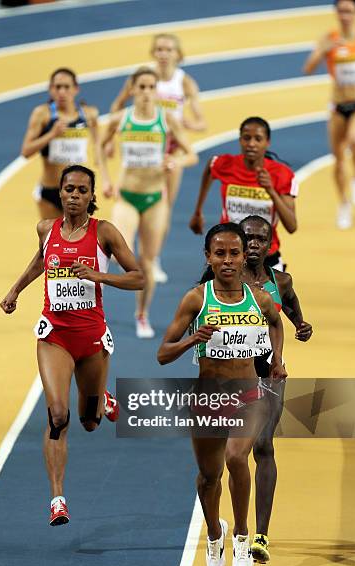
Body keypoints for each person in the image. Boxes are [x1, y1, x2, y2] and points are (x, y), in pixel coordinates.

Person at [0, 165, 144, 526]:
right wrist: (16, 289)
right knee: (58, 415)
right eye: (69, 189)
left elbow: (138, 277)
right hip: (55, 337)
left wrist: (99, 275)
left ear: (92, 196)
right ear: (60, 193)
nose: (75, 195)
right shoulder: (46, 229)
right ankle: (57, 499)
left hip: (92, 338)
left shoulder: (104, 232)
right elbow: (40, 260)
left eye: (82, 190)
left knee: (90, 421)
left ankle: (104, 400)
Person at [157, 222, 287, 566]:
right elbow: (162, 353)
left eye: (234, 253)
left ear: (245, 256)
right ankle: (216, 532)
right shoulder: (197, 298)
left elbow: (277, 323)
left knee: (236, 457)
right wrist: (191, 339)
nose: (227, 260)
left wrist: (277, 359)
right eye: (220, 254)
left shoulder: (258, 298)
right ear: (208, 257)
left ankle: (242, 535)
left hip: (248, 395)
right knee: (208, 477)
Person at [231, 215, 312, 564]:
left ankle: (260, 536)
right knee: (224, 457)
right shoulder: (224, 278)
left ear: (270, 245)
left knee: (263, 445)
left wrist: (302, 326)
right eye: (247, 238)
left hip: (270, 373)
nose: (252, 244)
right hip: (231, 373)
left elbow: (292, 310)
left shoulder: (281, 280)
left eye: (260, 239)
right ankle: (232, 528)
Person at [101, 66, 198, 339]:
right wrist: (107, 179)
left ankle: (141, 313)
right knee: (120, 252)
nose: (145, 92)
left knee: (147, 261)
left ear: (156, 91)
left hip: (155, 199)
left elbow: (191, 154)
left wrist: (175, 161)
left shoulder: (166, 119)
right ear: (132, 90)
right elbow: (99, 144)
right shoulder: (121, 119)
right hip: (127, 197)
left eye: (150, 87)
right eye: (141, 87)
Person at [110, 33, 206, 282]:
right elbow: (118, 106)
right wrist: (111, 140)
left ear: (178, 54)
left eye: (169, 49)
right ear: (154, 52)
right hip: (144, 146)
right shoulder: (144, 78)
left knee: (163, 204)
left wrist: (186, 122)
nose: (164, 54)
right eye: (160, 49)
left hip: (170, 152)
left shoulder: (185, 83)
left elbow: (201, 121)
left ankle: (153, 257)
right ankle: (136, 254)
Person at [189, 116, 298, 271]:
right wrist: (198, 211)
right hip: (228, 259)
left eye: (258, 139)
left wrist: (271, 191)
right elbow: (210, 166)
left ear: (267, 143)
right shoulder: (226, 164)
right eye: (246, 138)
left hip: (265, 261)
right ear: (240, 140)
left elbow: (292, 226)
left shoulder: (282, 174)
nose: (251, 144)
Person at [303, 0, 355, 229]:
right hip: (338, 107)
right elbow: (308, 69)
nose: (345, 15)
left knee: (354, 140)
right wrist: (323, 49)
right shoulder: (328, 38)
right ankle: (344, 203)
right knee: (339, 161)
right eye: (341, 10)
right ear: (336, 13)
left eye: (349, 11)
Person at [21, 67, 104, 219]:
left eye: (66, 87)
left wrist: (101, 169)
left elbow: (98, 142)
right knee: (50, 241)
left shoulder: (89, 114)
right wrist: (51, 134)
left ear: (76, 89)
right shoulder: (42, 114)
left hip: (80, 191)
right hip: (51, 191)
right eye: (57, 87)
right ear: (50, 89)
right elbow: (26, 151)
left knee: (80, 241)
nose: (62, 92)